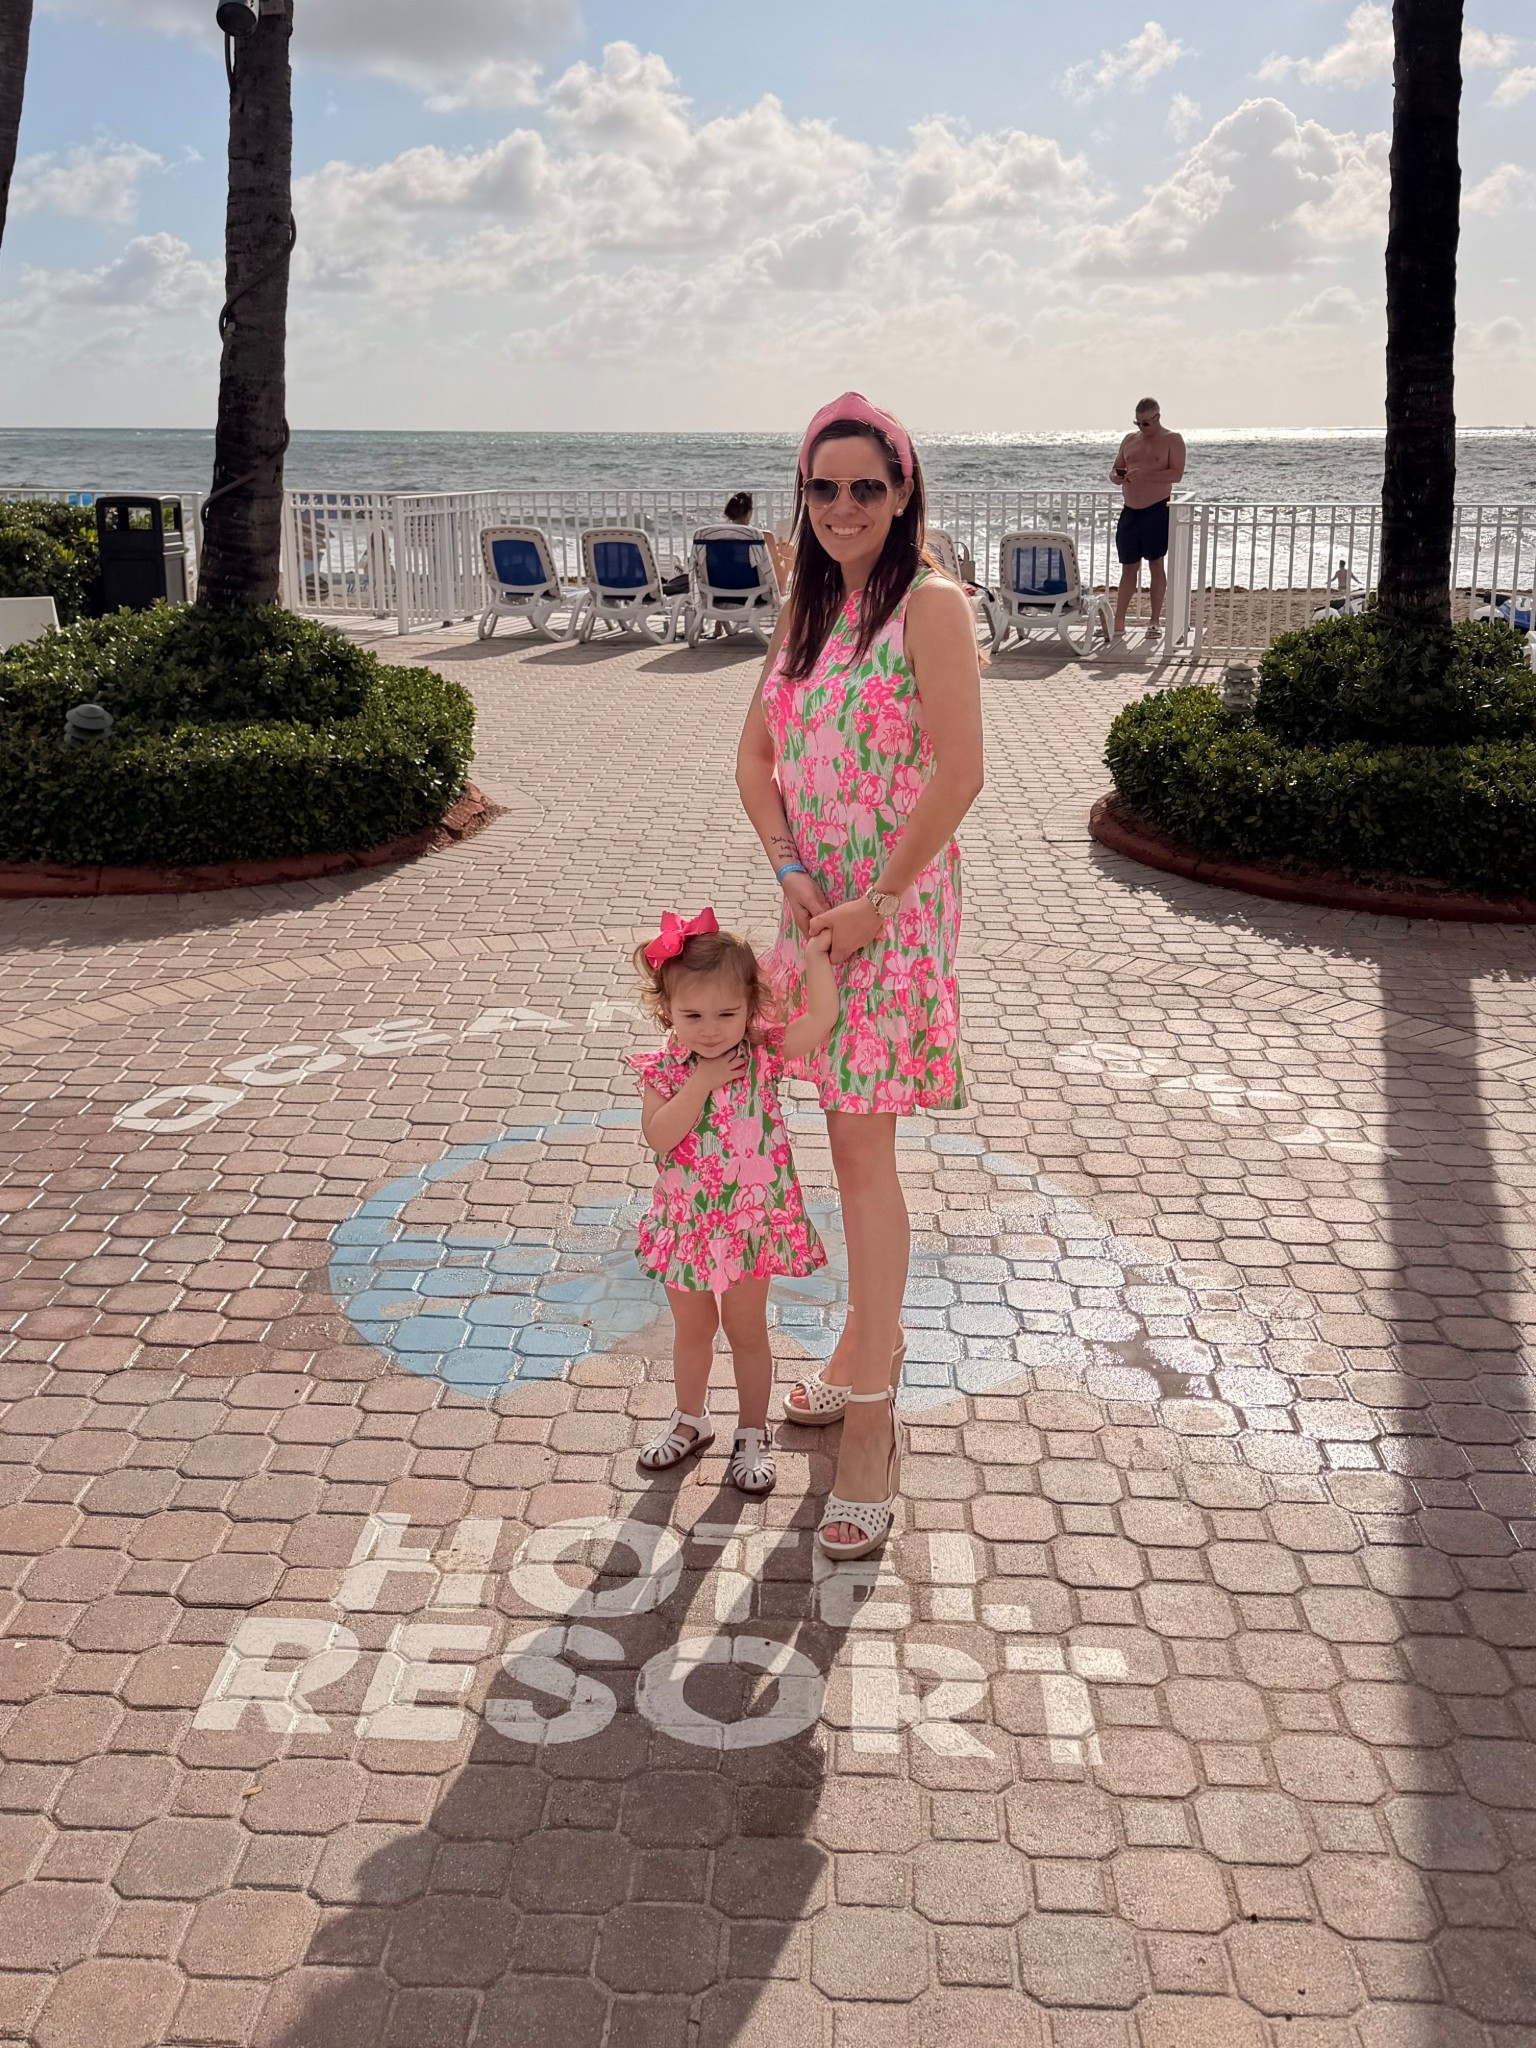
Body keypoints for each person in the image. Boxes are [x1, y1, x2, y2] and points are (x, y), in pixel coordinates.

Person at [736, 392, 984, 1560]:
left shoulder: (930, 605)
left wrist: (875, 899)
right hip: (813, 915)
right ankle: (852, 1350)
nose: (843, 508)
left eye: (866, 489)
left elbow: (962, 773)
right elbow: (754, 755)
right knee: (841, 1142)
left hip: (885, 917)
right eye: (824, 488)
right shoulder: (808, 606)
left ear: (904, 495)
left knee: (865, 1152)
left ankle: (876, 1420)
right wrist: (791, 874)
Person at [627, 908, 838, 1498]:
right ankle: (690, 1419)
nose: (712, 1028)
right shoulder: (663, 1068)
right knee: (692, 1329)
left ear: (751, 1006)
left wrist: (816, 956)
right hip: (687, 1223)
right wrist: (701, 1081)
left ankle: (752, 1431)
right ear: (666, 1010)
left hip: (749, 1223)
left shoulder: (763, 1053)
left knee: (747, 1330)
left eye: (727, 1013)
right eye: (692, 1014)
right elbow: (659, 1137)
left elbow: (821, 1019)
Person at [1109, 397, 1185, 645]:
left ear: (1157, 418)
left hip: (1156, 510)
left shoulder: (1172, 440)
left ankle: (1154, 621)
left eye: (1146, 423)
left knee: (1155, 564)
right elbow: (1114, 469)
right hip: (1130, 510)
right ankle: (1118, 622)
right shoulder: (1130, 440)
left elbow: (1176, 474)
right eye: (1137, 423)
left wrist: (1146, 474)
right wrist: (1117, 477)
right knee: (1128, 567)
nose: (1141, 428)